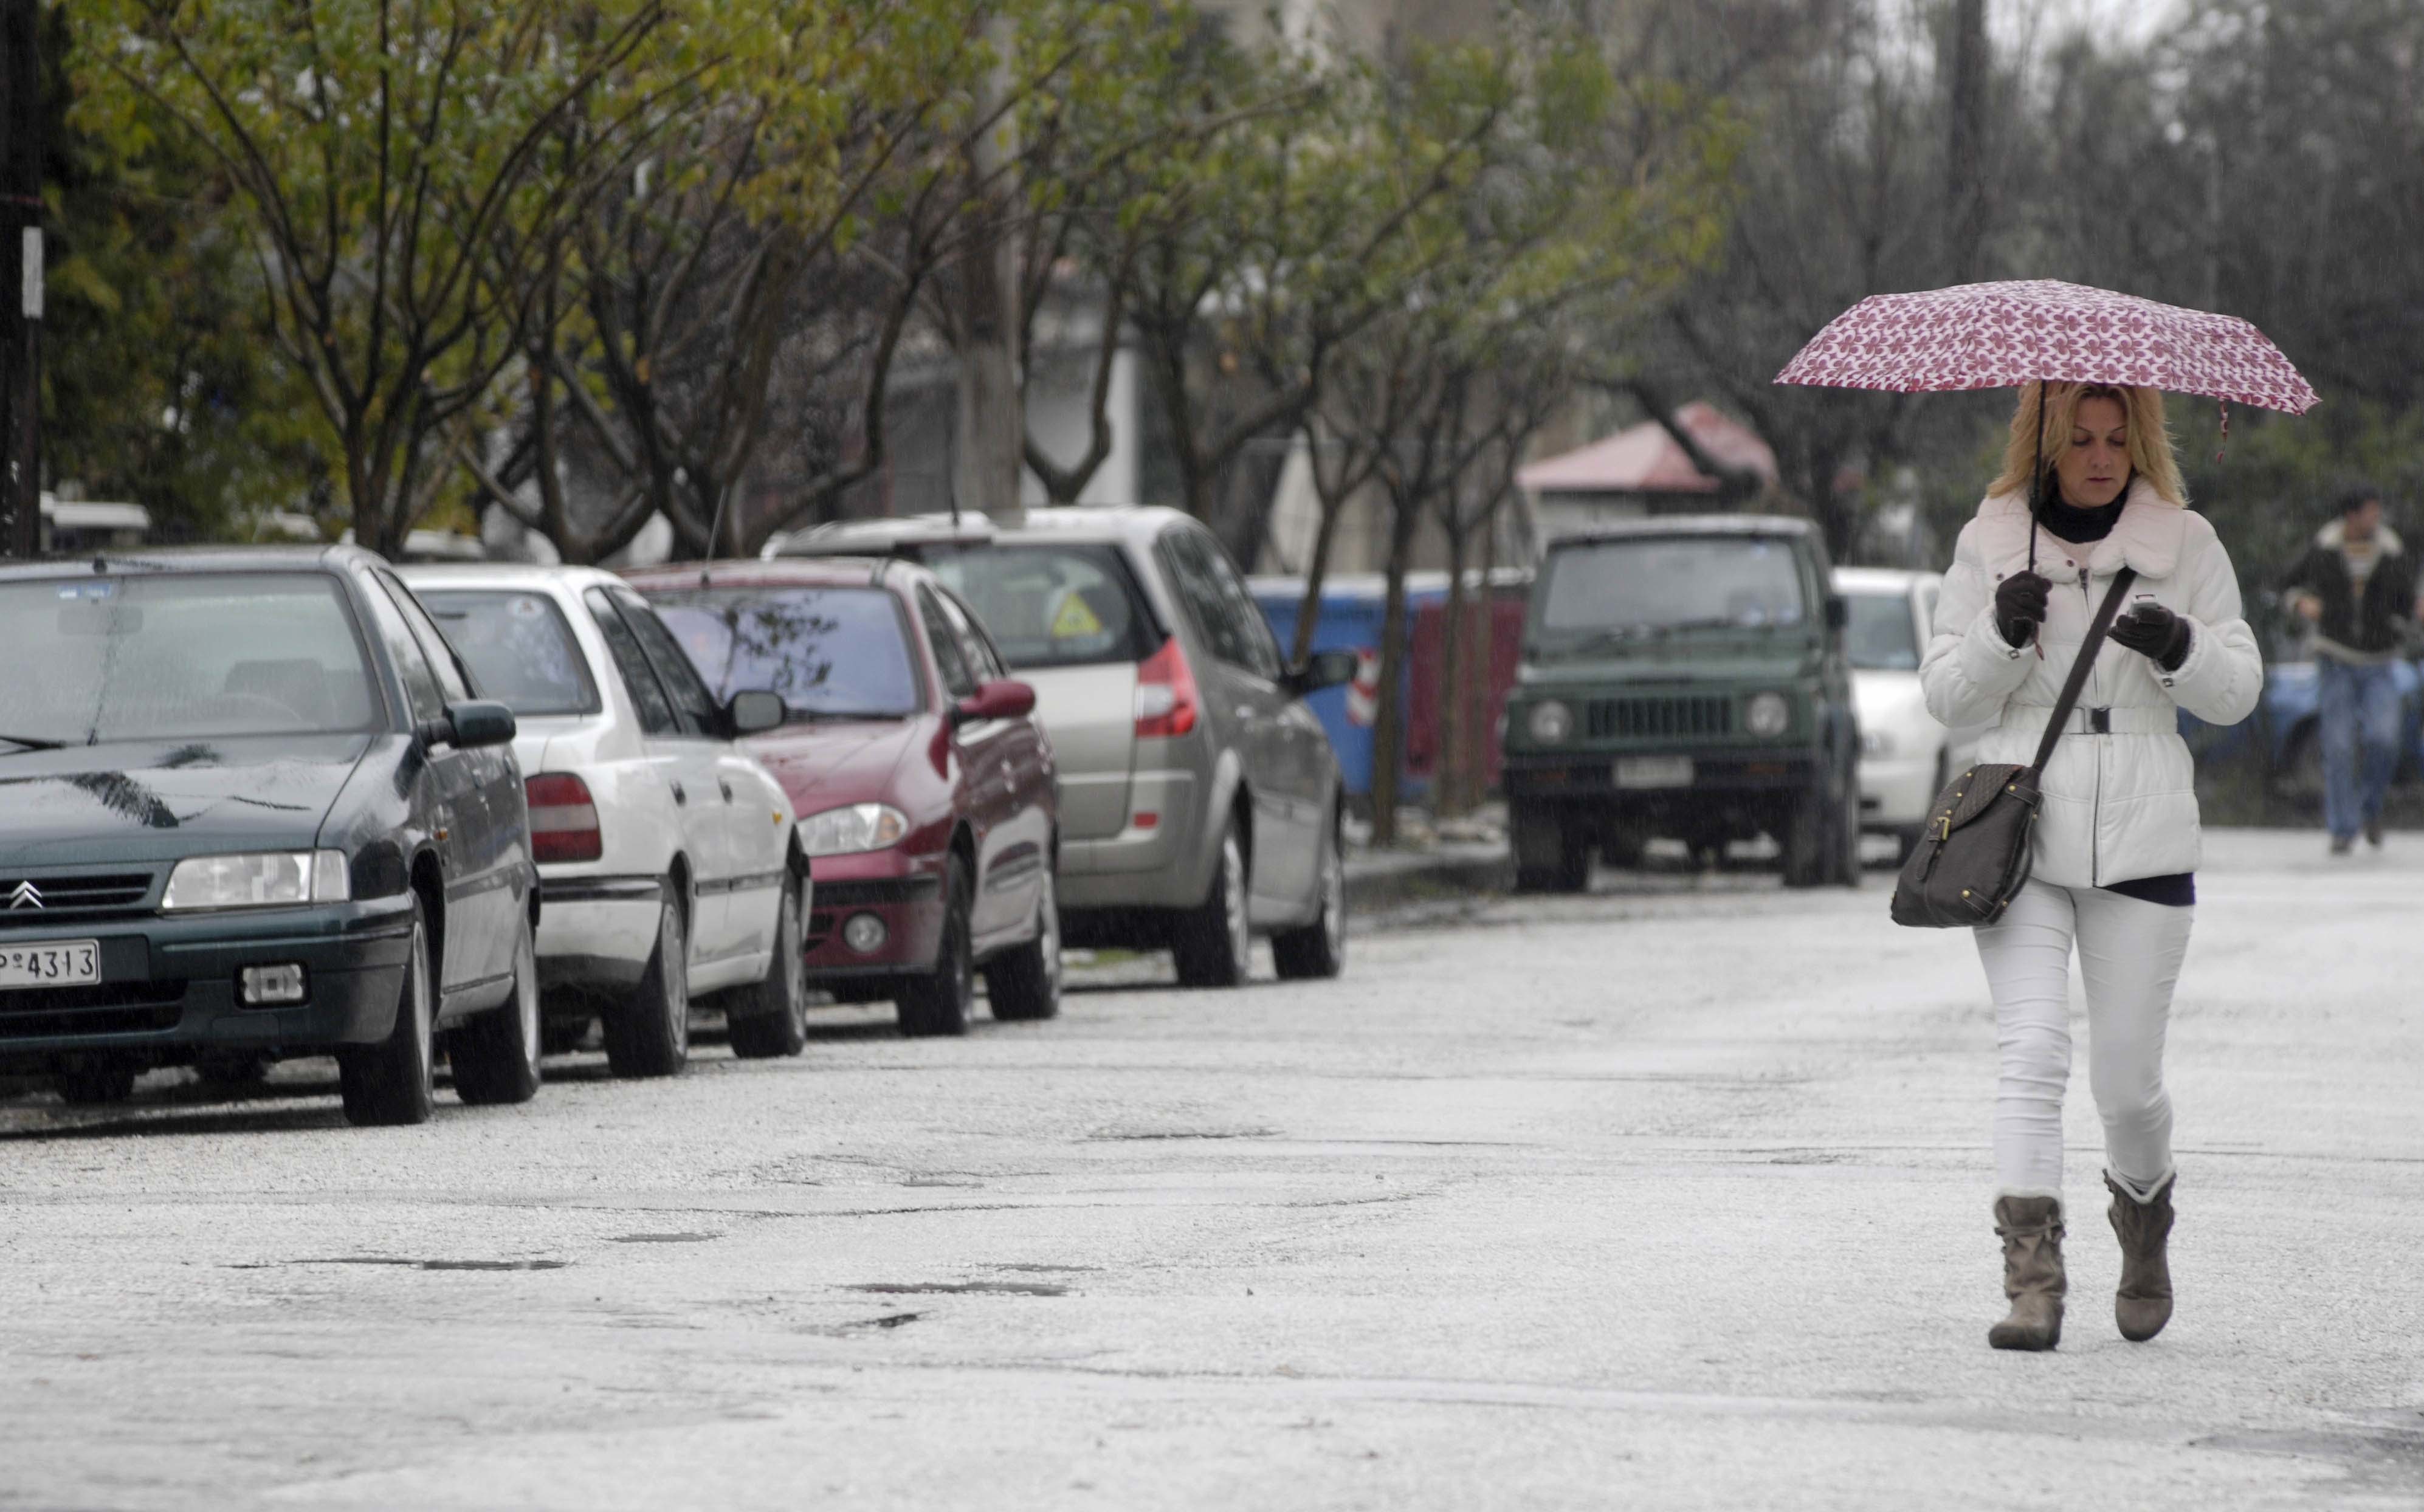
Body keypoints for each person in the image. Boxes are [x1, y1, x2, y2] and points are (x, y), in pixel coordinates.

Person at [1921, 381, 2262, 1352]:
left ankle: (2144, 1223)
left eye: (2118, 438)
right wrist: (1998, 633)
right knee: (2029, 1057)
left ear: (2140, 441)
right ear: (2046, 443)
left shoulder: (2185, 544)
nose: (2101, 455)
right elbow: (1946, 695)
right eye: (2080, 439)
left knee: (2124, 1082)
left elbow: (2239, 692)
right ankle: (2033, 1282)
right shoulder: (1991, 540)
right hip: (2019, 824)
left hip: (2145, 831)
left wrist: (2182, 647)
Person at [2278, 487, 2423, 853]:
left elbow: (2405, 602)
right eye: (2370, 513)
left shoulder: (2390, 551)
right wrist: (2301, 604)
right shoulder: (2325, 547)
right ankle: (2343, 828)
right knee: (2339, 746)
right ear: (2352, 516)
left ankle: (2371, 808)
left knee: (2384, 738)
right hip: (2335, 658)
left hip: (2379, 660)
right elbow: (2287, 583)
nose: (2376, 519)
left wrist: (2414, 612)